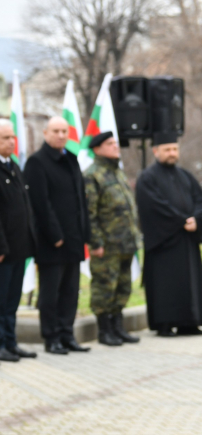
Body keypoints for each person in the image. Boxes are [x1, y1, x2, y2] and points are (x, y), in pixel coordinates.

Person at [24, 116, 91, 355]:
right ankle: (51, 337)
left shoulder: (71, 159)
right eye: (56, 131)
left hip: (73, 239)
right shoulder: (36, 162)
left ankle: (67, 333)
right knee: (50, 293)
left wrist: (85, 233)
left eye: (64, 131)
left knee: (71, 291)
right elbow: (40, 204)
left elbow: (80, 200)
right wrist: (55, 235)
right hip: (51, 241)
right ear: (45, 133)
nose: (61, 135)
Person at [0, 118, 38, 362]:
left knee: (13, 298)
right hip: (3, 248)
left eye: (12, 137)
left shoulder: (13, 165)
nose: (11, 142)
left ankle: (11, 342)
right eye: (5, 138)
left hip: (20, 245)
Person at [136, 133, 202, 336]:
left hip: (187, 240)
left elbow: (199, 200)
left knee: (190, 282)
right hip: (163, 242)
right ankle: (165, 323)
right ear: (155, 151)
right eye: (167, 150)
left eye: (174, 149)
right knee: (165, 284)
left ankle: (188, 322)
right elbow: (154, 207)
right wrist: (182, 221)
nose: (172, 153)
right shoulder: (147, 178)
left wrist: (196, 220)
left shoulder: (185, 175)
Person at [83, 132, 141, 345]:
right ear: (97, 149)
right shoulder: (92, 175)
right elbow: (90, 213)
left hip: (126, 242)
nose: (115, 147)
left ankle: (118, 326)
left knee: (123, 287)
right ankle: (104, 329)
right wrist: (96, 242)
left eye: (115, 144)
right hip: (107, 245)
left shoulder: (118, 173)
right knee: (104, 287)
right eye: (110, 144)